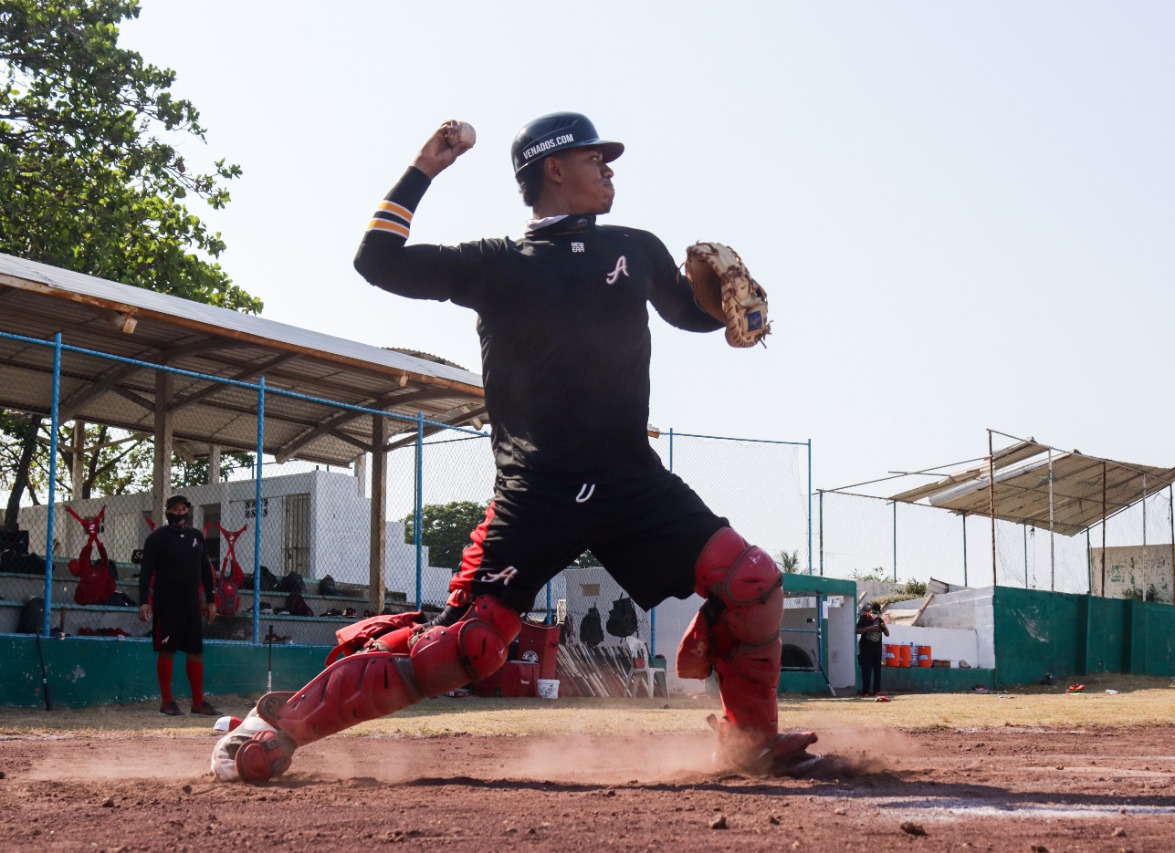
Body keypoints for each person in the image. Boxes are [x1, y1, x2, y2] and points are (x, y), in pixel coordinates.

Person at [211, 112, 819, 783]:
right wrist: (423, 169)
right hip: (537, 493)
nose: (609, 168)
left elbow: (692, 314)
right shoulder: (496, 264)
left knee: (753, 581)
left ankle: (750, 743)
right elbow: (376, 262)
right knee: (465, 648)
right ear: (553, 168)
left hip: (630, 482)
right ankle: (274, 725)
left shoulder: (636, 248)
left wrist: (737, 309)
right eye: (595, 157)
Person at [138, 494, 220, 716]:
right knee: (167, 650)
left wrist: (210, 600)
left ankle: (198, 703)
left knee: (195, 652)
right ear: (167, 512)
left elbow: (205, 570)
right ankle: (167, 702)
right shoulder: (156, 538)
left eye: (184, 509)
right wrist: (144, 601)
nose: (180, 513)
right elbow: (145, 572)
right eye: (175, 509)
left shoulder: (196, 536)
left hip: (191, 606)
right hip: (166, 605)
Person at [855, 602, 890, 697]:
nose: (875, 613)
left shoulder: (879, 620)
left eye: (877, 612)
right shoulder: (863, 618)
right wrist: (869, 628)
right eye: (874, 611)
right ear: (870, 610)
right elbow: (856, 631)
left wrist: (884, 627)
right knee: (866, 671)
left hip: (877, 650)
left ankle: (877, 690)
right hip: (866, 650)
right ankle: (865, 691)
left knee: (877, 671)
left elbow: (887, 634)